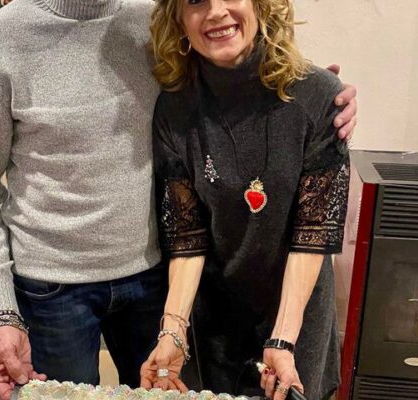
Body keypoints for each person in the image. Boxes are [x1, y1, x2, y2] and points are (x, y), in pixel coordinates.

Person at [0, 0, 357, 399]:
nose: (214, 10)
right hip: (57, 291)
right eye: (196, 1)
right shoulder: (0, 40)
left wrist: (319, 95)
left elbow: (245, 75)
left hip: (155, 280)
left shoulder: (150, 24)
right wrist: (2, 313)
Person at [139, 0, 350, 399]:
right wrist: (173, 331)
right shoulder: (174, 107)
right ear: (179, 19)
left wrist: (282, 340)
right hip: (217, 320)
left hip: (296, 317)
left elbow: (313, 234)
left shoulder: (319, 96)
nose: (216, 11)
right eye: (196, 1)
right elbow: (187, 239)